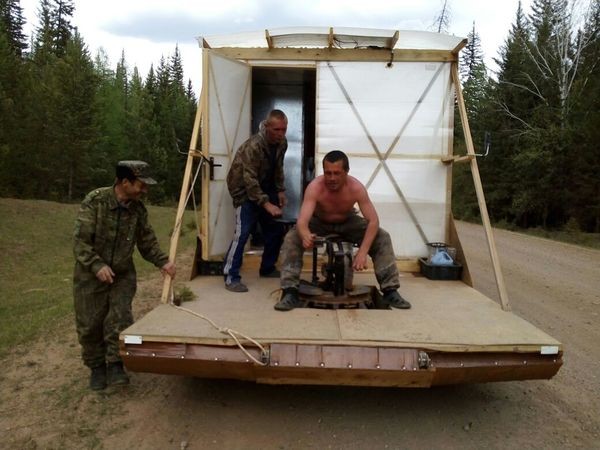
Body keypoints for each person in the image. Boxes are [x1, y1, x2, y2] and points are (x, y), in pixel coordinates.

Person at [73, 161, 176, 391]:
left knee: (119, 319)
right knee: (90, 324)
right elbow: (81, 243)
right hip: (90, 275)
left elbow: (146, 242)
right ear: (125, 182)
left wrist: (163, 261)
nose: (145, 190)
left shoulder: (138, 209)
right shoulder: (95, 201)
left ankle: (116, 364)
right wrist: (96, 265)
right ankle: (97, 367)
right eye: (141, 185)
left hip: (122, 274)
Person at [275, 150, 411, 311]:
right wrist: (305, 234)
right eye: (328, 173)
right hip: (319, 222)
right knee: (292, 238)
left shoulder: (356, 188)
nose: (332, 178)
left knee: (382, 237)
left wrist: (362, 252)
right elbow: (302, 221)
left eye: (337, 173)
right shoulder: (315, 188)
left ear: (346, 172)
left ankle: (390, 290)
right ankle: (290, 291)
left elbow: (373, 221)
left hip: (348, 221)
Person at [223, 109, 288, 292]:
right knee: (243, 233)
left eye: (284, 129)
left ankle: (267, 268)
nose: (280, 134)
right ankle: (230, 276)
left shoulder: (282, 143)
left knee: (275, 228)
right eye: (276, 130)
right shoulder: (253, 146)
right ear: (267, 127)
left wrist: (280, 190)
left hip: (264, 186)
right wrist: (266, 204)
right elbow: (249, 179)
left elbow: (278, 167)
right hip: (243, 189)